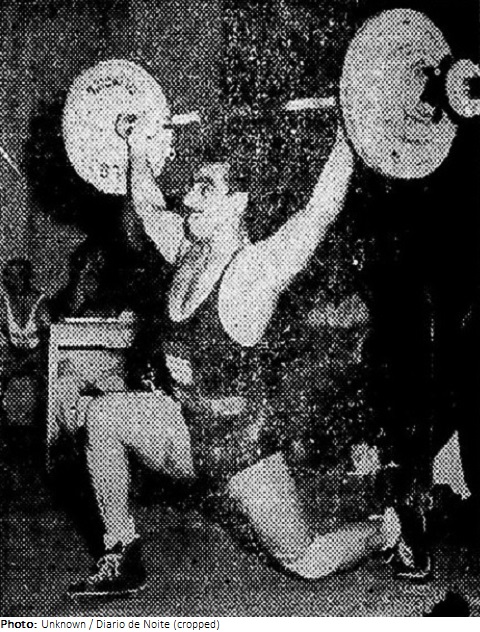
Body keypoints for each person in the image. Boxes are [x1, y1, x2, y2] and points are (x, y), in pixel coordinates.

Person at [68, 115, 402, 598]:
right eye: (192, 186)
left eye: (205, 188)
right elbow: (148, 202)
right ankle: (121, 551)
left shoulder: (254, 273)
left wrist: (351, 134)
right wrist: (136, 146)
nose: (188, 197)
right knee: (103, 415)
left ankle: (388, 529)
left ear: (238, 202)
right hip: (183, 428)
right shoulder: (186, 249)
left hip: (241, 446)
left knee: (305, 560)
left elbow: (319, 211)